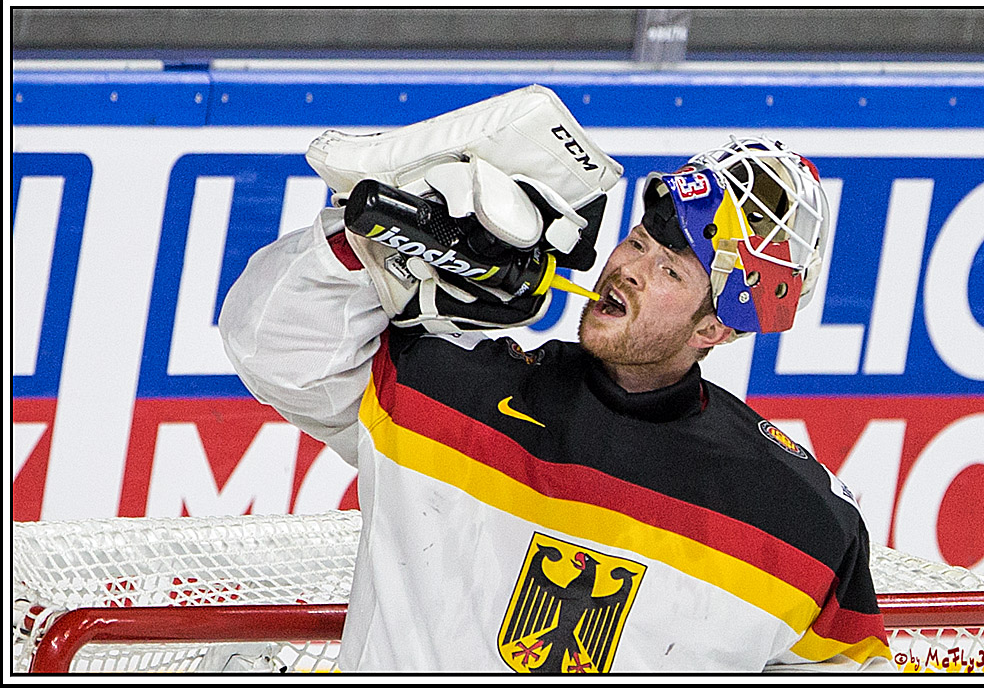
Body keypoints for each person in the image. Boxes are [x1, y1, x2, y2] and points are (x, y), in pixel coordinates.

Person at [219, 89, 893, 673]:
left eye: (670, 272)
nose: (628, 268)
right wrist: (374, 242)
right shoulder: (449, 389)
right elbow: (270, 343)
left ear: (715, 329)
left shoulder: (801, 523)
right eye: (639, 243)